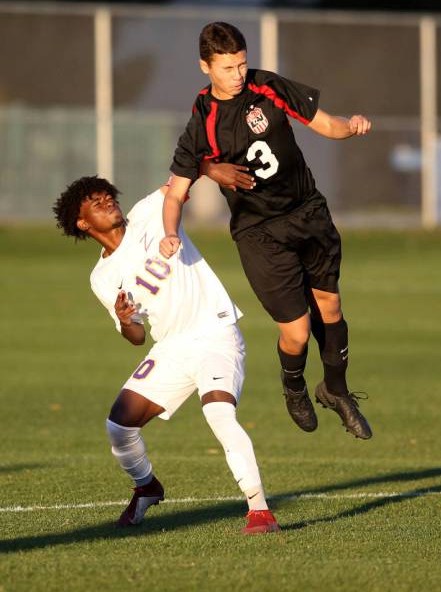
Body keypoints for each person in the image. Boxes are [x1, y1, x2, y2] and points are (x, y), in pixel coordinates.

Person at [160, 21, 373, 440]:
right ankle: (294, 385)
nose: (238, 75)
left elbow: (327, 124)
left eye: (241, 64)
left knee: (331, 309)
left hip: (308, 211)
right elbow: (174, 192)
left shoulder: (267, 87)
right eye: (227, 68)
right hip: (260, 232)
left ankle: (336, 390)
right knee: (296, 331)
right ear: (205, 66)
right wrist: (171, 230)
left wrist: (352, 126)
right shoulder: (202, 122)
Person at [52, 175, 280, 534]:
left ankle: (259, 510)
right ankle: (147, 487)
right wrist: (126, 320)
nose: (108, 203)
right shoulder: (102, 277)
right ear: (82, 223)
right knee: (119, 426)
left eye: (108, 197)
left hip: (214, 333)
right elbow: (137, 337)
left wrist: (210, 161)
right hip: (171, 346)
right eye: (96, 204)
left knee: (219, 414)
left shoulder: (149, 212)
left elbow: (182, 178)